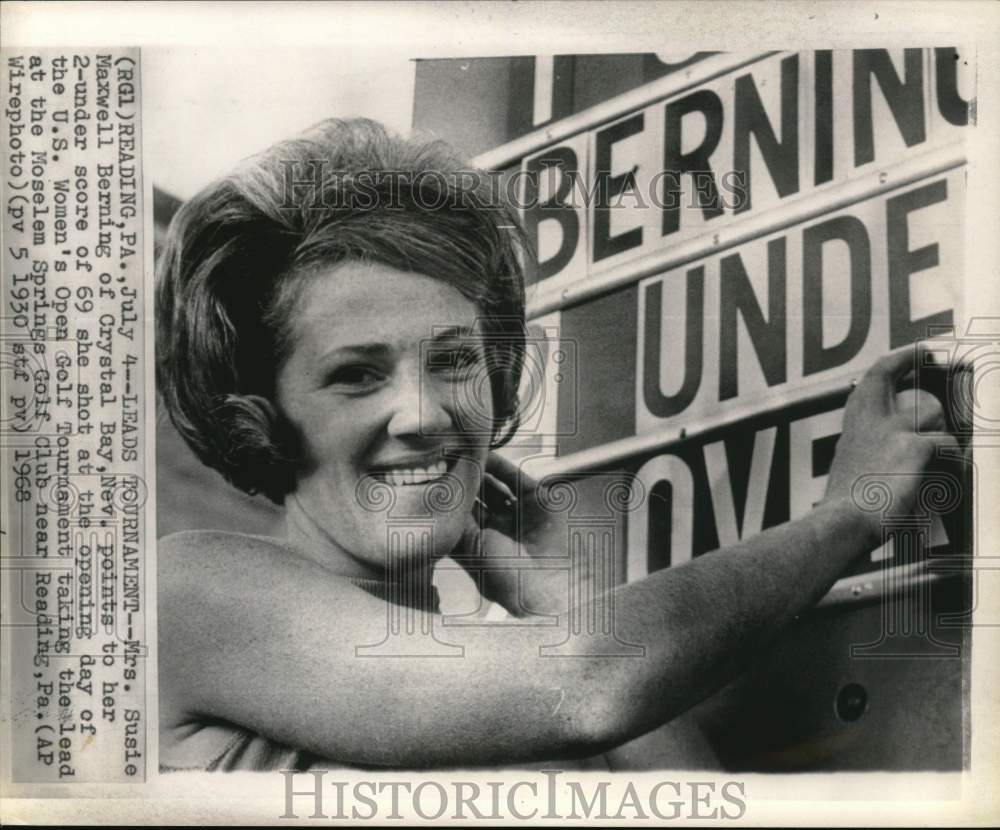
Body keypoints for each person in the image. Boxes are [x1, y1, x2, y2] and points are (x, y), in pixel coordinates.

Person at [155, 118, 956, 772]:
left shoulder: (513, 670)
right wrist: (848, 515)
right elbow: (588, 687)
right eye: (358, 376)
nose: (424, 413)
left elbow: (698, 805)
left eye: (456, 360)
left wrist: (561, 603)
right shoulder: (185, 589)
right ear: (259, 422)